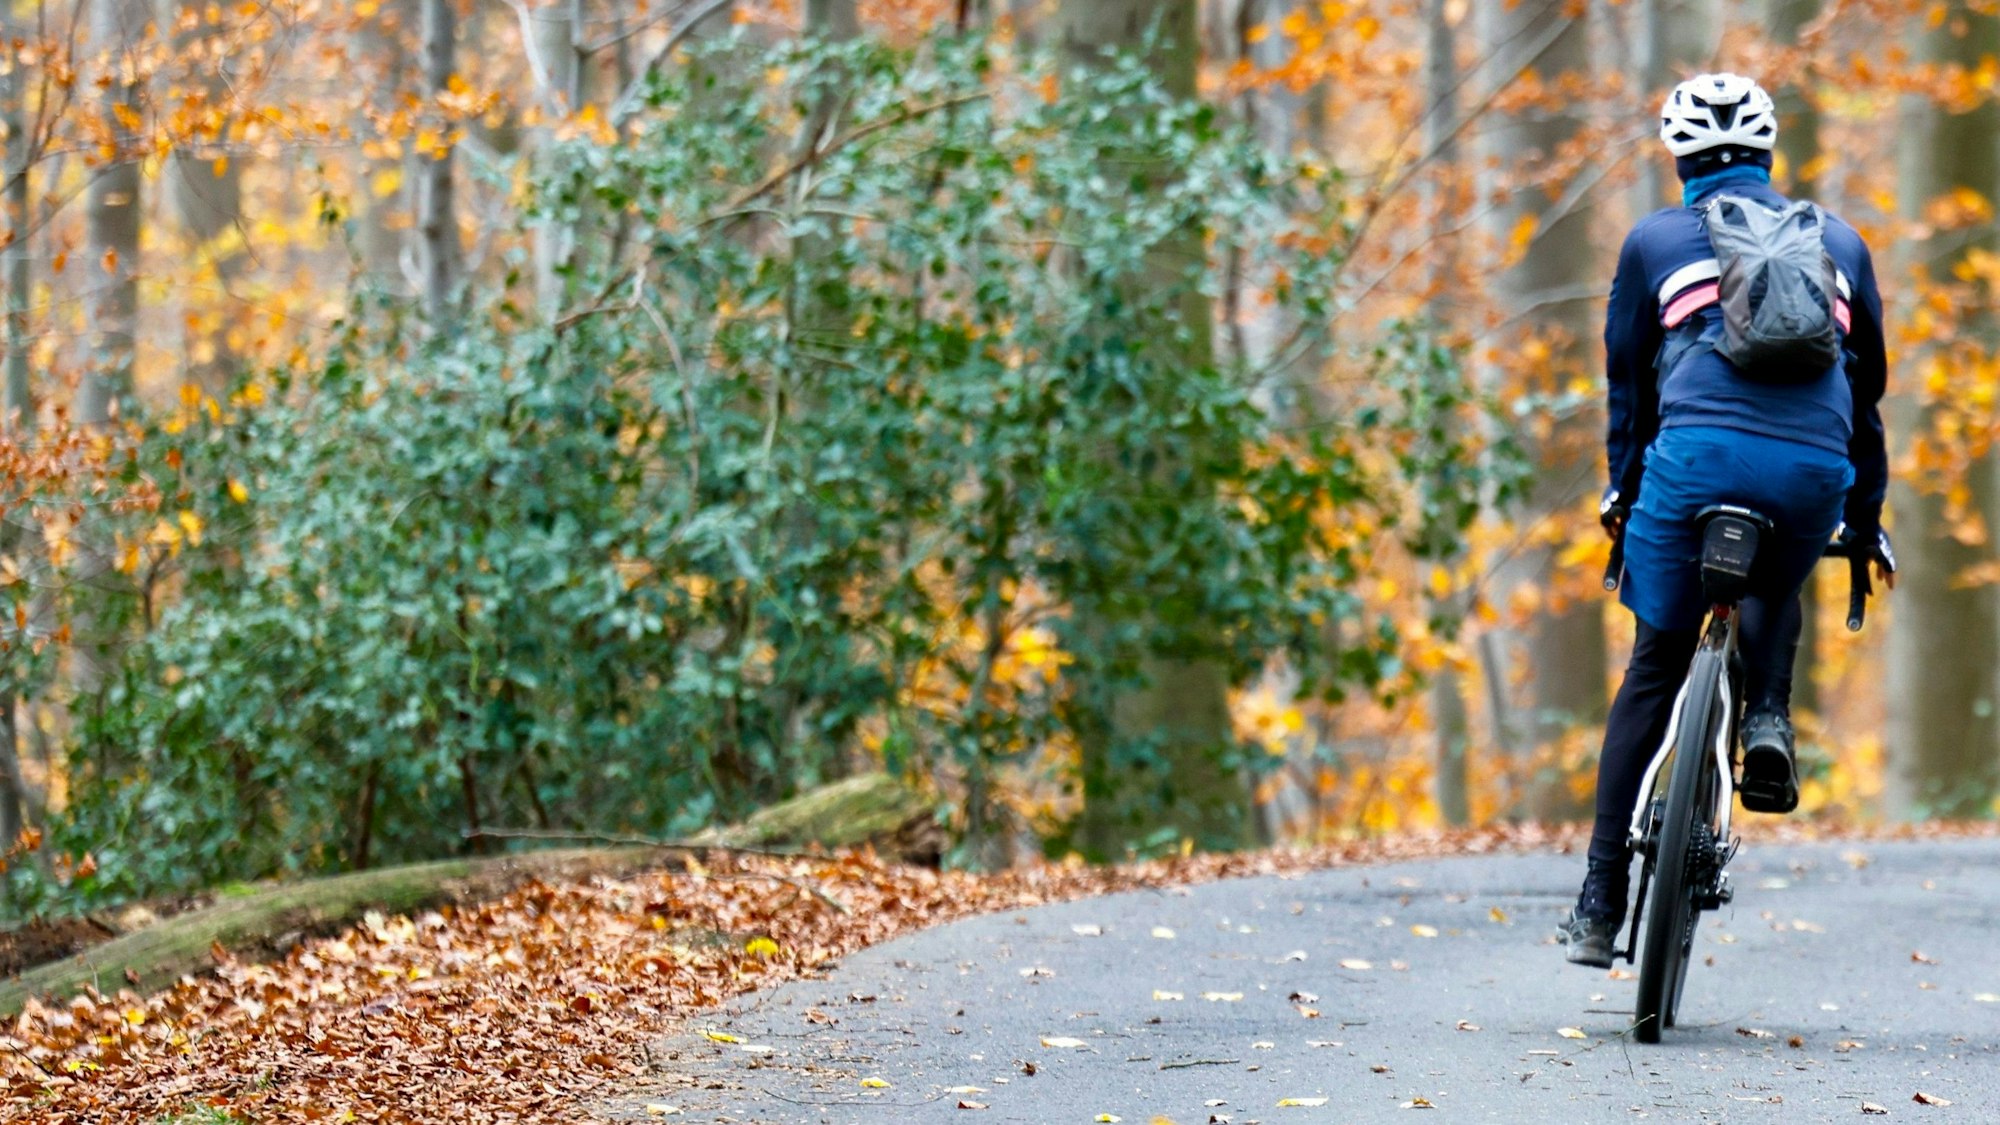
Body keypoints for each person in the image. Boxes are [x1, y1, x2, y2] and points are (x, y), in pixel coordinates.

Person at [1560, 73, 1897, 968]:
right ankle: (1767, 719)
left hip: (1692, 460)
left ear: (1679, 160)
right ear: (1768, 153)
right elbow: (1865, 403)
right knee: (1779, 574)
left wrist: (1622, 489)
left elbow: (1629, 386)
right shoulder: (1841, 242)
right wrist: (1863, 520)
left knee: (1654, 665)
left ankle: (1600, 897)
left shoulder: (1653, 242)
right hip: (1812, 467)